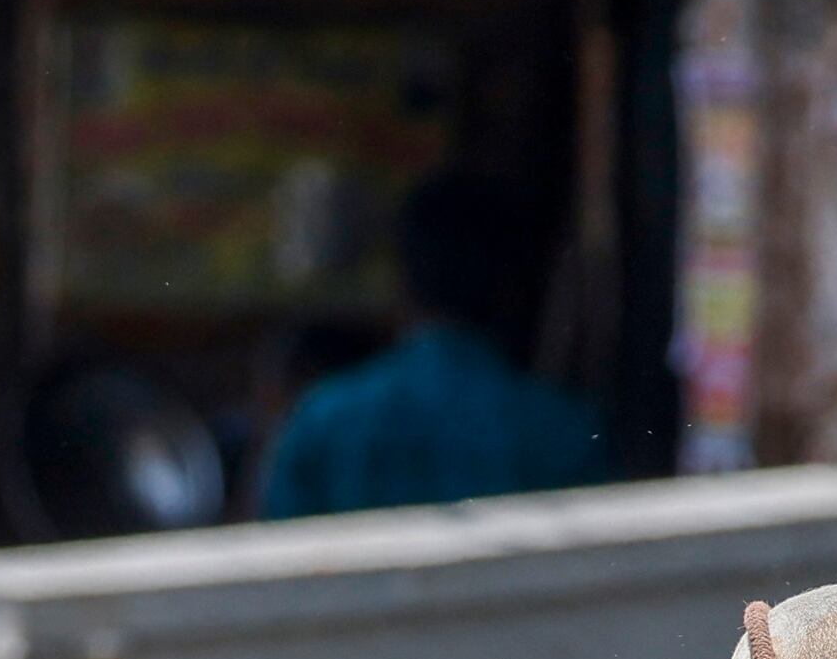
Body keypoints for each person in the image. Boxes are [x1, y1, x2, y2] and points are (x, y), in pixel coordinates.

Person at [256, 172, 608, 520]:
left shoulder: (321, 421)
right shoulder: (562, 429)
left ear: (403, 282)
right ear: (512, 287)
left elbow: (278, 545)